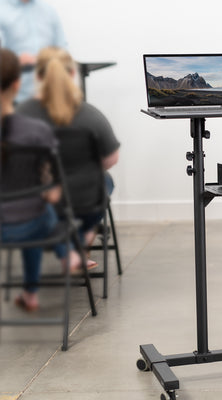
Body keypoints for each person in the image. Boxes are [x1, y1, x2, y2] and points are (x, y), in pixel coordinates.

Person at [17, 47, 121, 263]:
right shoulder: (90, 115)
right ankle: (83, 236)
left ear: (37, 76)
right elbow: (111, 160)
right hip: (84, 203)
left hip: (33, 205)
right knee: (105, 181)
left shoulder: (22, 114)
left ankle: (65, 241)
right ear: (73, 74)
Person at [0, 48, 81, 312]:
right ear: (17, 83)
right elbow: (52, 194)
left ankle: (30, 293)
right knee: (41, 208)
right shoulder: (36, 132)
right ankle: (66, 253)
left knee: (30, 209)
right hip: (28, 225)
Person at [0, 0, 67, 103]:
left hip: (49, 94)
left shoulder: (48, 11)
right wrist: (15, 61)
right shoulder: (2, 10)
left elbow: (62, 49)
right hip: (13, 97)